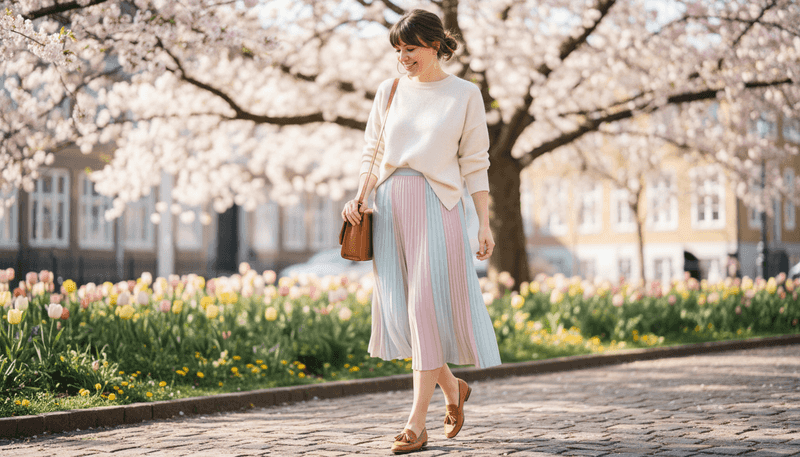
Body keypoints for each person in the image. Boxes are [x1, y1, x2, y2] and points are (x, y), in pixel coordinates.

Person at [341, 8, 501, 455]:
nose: (403, 57)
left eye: (409, 48)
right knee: (406, 312)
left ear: (435, 45)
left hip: (440, 207)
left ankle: (416, 422)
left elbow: (476, 162)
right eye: (398, 50)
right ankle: (453, 388)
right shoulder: (388, 91)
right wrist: (359, 196)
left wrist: (483, 224)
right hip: (390, 206)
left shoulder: (465, 94)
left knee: (424, 306)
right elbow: (372, 150)